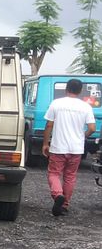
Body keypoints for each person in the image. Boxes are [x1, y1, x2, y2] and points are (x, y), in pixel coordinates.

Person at [42, 78, 97, 216]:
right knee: (70, 176)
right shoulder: (85, 107)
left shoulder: (56, 104)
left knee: (54, 173)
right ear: (79, 91)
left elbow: (49, 125)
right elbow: (92, 128)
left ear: (66, 89)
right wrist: (82, 136)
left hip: (58, 147)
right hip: (76, 148)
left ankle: (57, 195)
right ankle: (65, 204)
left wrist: (45, 143)